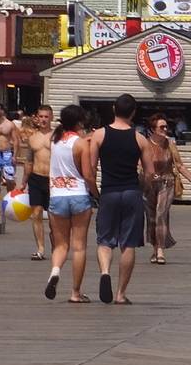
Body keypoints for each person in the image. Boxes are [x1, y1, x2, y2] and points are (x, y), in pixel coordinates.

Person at [94, 93, 147, 305]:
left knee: (105, 240)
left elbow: (89, 170)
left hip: (109, 191)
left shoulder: (99, 135)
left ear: (114, 109)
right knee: (129, 243)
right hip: (131, 191)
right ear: (133, 112)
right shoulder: (139, 138)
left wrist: (95, 193)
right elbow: (149, 172)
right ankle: (120, 294)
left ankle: (105, 271)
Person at [44, 104, 98, 303]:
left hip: (57, 195)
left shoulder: (54, 141)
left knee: (60, 245)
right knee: (79, 246)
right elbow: (88, 175)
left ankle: (55, 271)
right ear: (80, 121)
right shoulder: (81, 144)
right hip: (78, 195)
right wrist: (96, 194)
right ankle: (75, 292)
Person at [142, 113, 190, 265]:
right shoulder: (145, 144)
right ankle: (155, 248)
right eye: (161, 127)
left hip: (167, 183)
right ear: (153, 129)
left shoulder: (170, 144)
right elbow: (139, 166)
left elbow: (180, 165)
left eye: (166, 126)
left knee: (160, 215)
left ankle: (161, 250)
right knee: (151, 218)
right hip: (149, 185)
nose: (165, 129)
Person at [23, 106, 54, 261]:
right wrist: (22, 183)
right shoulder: (32, 138)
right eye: (41, 116)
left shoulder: (56, 137)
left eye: (46, 117)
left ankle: (57, 245)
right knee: (36, 215)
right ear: (37, 118)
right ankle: (40, 248)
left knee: (54, 218)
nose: (43, 120)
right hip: (35, 178)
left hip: (52, 180)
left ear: (51, 118)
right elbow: (29, 161)